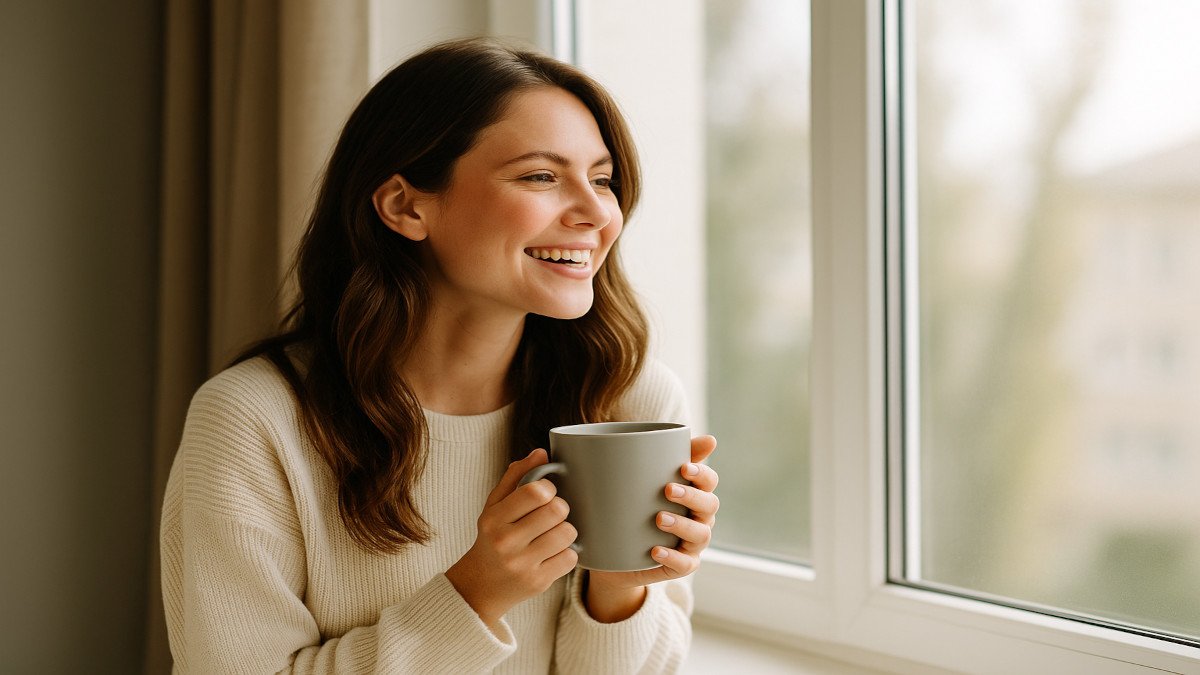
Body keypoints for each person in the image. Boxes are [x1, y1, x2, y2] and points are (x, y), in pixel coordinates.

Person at [160, 36, 720, 674]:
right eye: (541, 176)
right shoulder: (253, 422)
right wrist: (476, 593)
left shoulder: (629, 400)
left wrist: (621, 587)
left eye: (602, 180)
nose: (597, 213)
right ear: (404, 205)